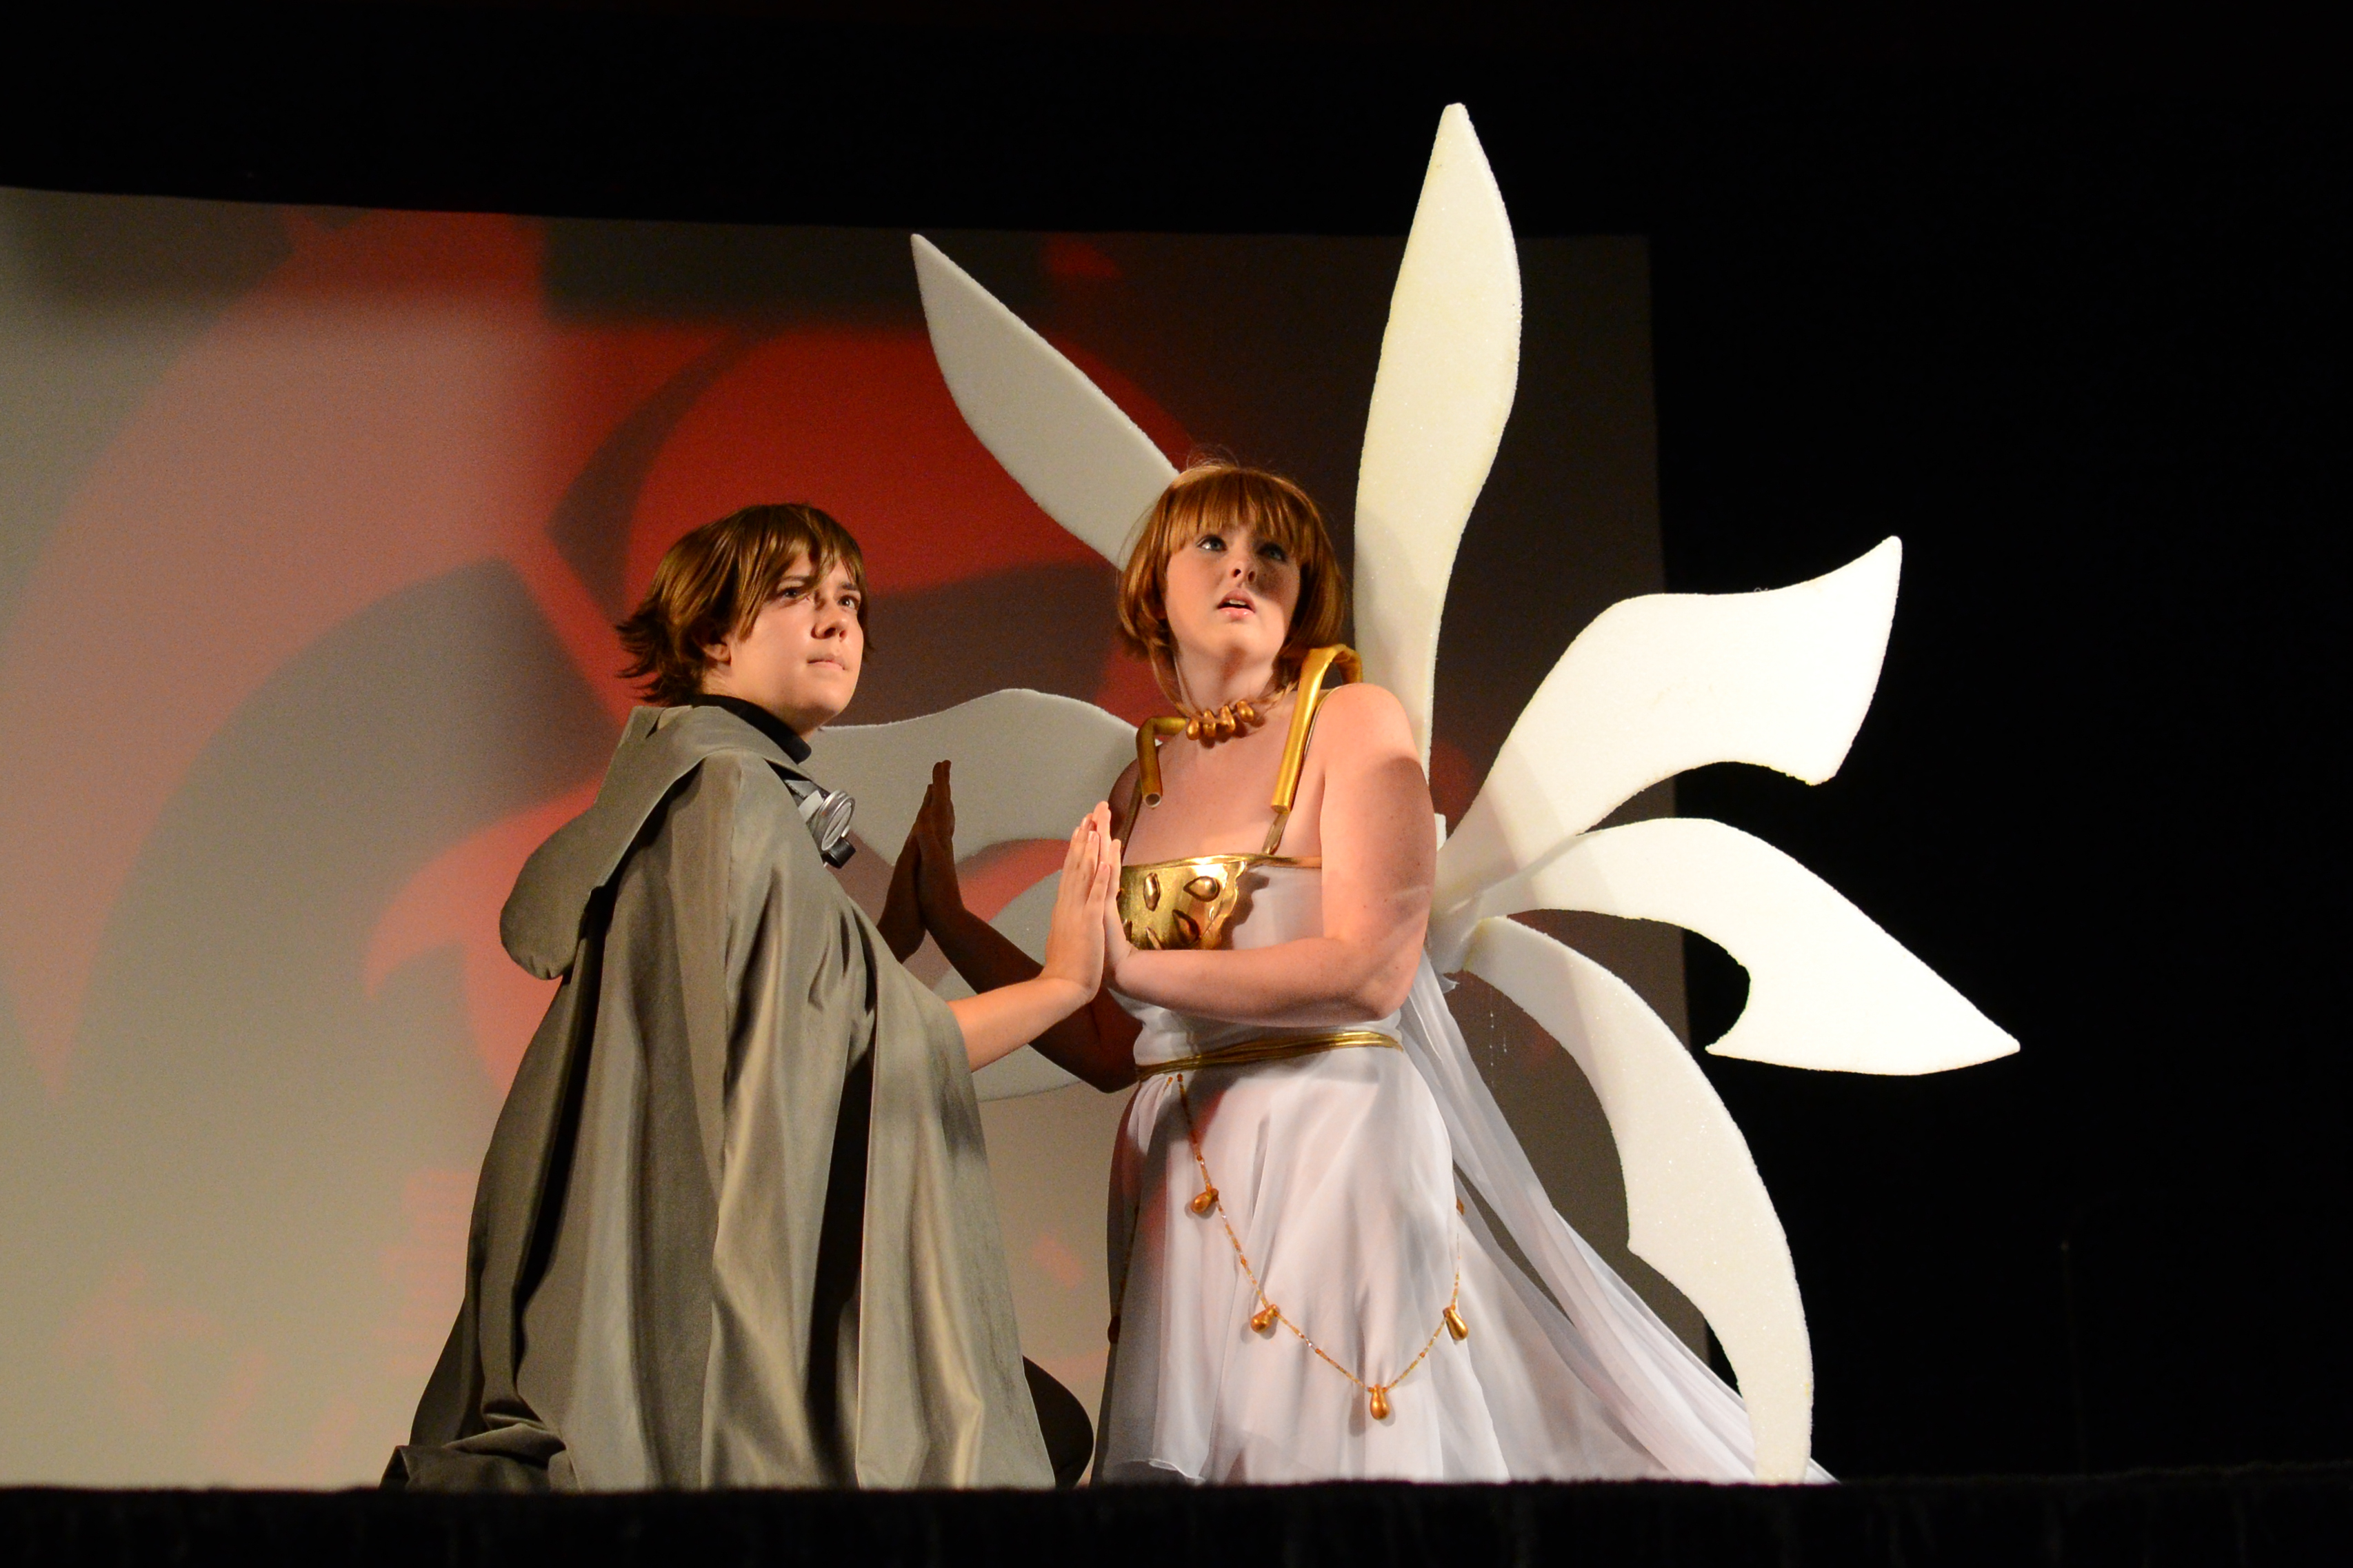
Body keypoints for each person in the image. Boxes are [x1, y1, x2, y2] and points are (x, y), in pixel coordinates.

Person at [901, 463, 1785, 1482]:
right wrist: (949, 919)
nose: (1243, 567)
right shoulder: (1141, 779)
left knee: (1350, 1466)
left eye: (1271, 550)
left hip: (1333, 1134)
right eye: (1211, 544)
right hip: (1181, 1164)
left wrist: (1136, 962)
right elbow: (1111, 1044)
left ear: (1305, 586)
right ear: (1154, 586)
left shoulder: (1354, 720)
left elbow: (1369, 970)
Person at [387, 503, 1113, 1491]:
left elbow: (760, 1022)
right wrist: (1065, 980)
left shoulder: (684, 779)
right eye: (796, 594)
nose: (837, 620)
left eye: (850, 601)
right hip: (726, 1298)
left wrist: (896, 934)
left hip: (657, 1277)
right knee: (989, 1437)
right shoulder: (733, 794)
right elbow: (852, 1058)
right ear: (711, 636)